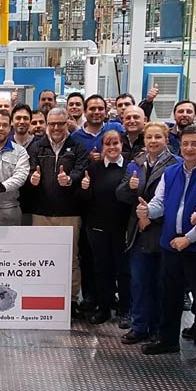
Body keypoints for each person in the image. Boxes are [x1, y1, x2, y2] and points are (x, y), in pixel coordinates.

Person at [139, 125, 196, 372]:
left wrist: (189, 239)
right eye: (185, 144)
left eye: (194, 144)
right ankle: (168, 340)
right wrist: (147, 210)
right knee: (169, 295)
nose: (189, 148)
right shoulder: (170, 172)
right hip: (170, 245)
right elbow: (159, 203)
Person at [116, 122, 179, 344]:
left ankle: (158, 329)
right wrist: (130, 187)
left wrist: (150, 217)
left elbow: (175, 200)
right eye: (149, 137)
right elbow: (121, 195)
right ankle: (139, 326)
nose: (153, 141)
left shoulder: (176, 165)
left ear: (166, 140)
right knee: (139, 282)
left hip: (162, 230)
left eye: (158, 137)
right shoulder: (136, 163)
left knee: (161, 284)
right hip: (138, 232)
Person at [21, 107, 87, 315]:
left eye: (60, 123)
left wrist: (70, 179)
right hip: (41, 212)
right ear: (47, 125)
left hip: (70, 213)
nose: (56, 127)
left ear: (68, 123)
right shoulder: (36, 147)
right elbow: (29, 169)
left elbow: (81, 170)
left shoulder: (78, 146)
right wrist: (32, 179)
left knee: (70, 258)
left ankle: (72, 300)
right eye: (52, 124)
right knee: (41, 257)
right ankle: (42, 296)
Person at [79, 130, 131, 325]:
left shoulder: (131, 167)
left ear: (122, 145)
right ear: (102, 147)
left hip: (122, 228)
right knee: (102, 269)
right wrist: (84, 188)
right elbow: (84, 199)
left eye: (115, 143)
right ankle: (104, 308)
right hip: (97, 228)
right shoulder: (94, 169)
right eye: (107, 144)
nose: (112, 147)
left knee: (123, 270)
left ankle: (125, 310)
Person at [70, 94, 124, 162]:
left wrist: (109, 156)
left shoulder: (117, 128)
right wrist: (87, 159)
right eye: (92, 109)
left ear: (105, 112)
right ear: (84, 112)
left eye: (100, 109)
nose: (96, 112)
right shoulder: (75, 137)